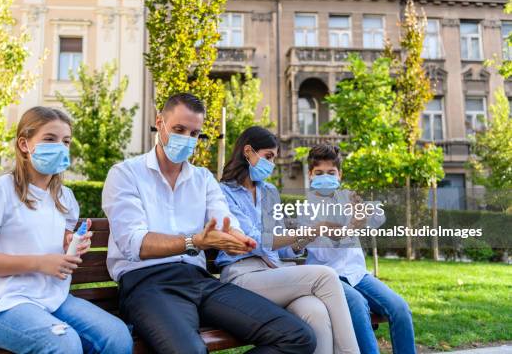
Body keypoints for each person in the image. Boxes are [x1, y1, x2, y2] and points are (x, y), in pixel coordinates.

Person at [103, 93, 317, 354]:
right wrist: (195, 241)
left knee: (297, 337)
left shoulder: (203, 178)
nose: (187, 139)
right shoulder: (125, 174)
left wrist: (238, 238)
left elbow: (225, 221)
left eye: (194, 133)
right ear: (159, 122)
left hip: (199, 280)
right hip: (146, 283)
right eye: (179, 129)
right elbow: (135, 244)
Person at [0, 106, 133, 354]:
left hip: (51, 298)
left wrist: (71, 242)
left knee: (117, 336)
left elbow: (47, 239)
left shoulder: (64, 198)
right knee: (63, 343)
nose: (60, 146)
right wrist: (39, 263)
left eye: (66, 141)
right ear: (24, 144)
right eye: (50, 139)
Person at [215, 126, 359, 354]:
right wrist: (310, 229)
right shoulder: (223, 192)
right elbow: (252, 240)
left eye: (274, 158)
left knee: (316, 312)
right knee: (326, 276)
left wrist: (311, 235)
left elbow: (283, 250)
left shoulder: (269, 191)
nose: (271, 164)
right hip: (242, 275)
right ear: (248, 152)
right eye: (268, 157)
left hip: (274, 272)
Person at [303, 144, 416, 354]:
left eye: (331, 172)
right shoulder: (307, 211)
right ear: (310, 175)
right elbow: (326, 252)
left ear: (339, 175)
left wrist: (363, 210)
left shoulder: (346, 198)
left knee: (400, 309)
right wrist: (351, 227)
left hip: (358, 274)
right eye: (319, 173)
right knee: (358, 305)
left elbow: (378, 218)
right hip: (329, 278)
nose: (325, 177)